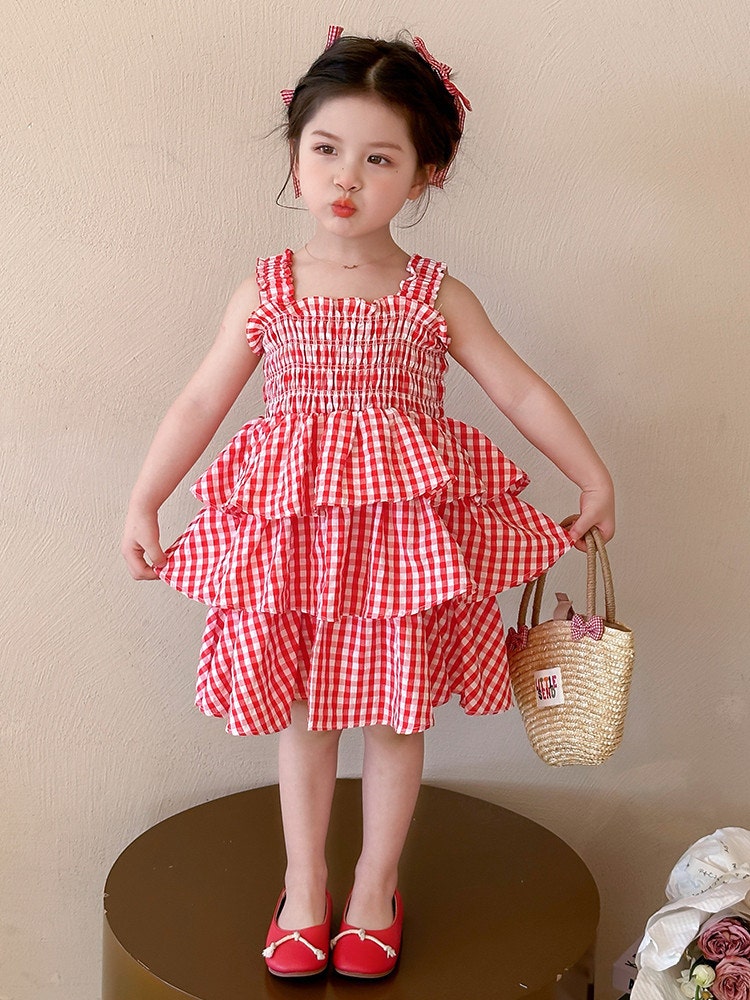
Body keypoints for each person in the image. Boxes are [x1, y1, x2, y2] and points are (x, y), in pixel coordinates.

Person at [121, 26, 615, 980]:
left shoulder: (435, 294)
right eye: (326, 149)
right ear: (295, 154)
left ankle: (375, 887)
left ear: (428, 172)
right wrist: (147, 498)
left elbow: (518, 390)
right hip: (299, 544)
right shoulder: (268, 289)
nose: (347, 177)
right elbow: (200, 401)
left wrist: (593, 476)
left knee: (396, 717)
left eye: (380, 158)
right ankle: (304, 885)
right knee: (304, 711)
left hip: (401, 550)